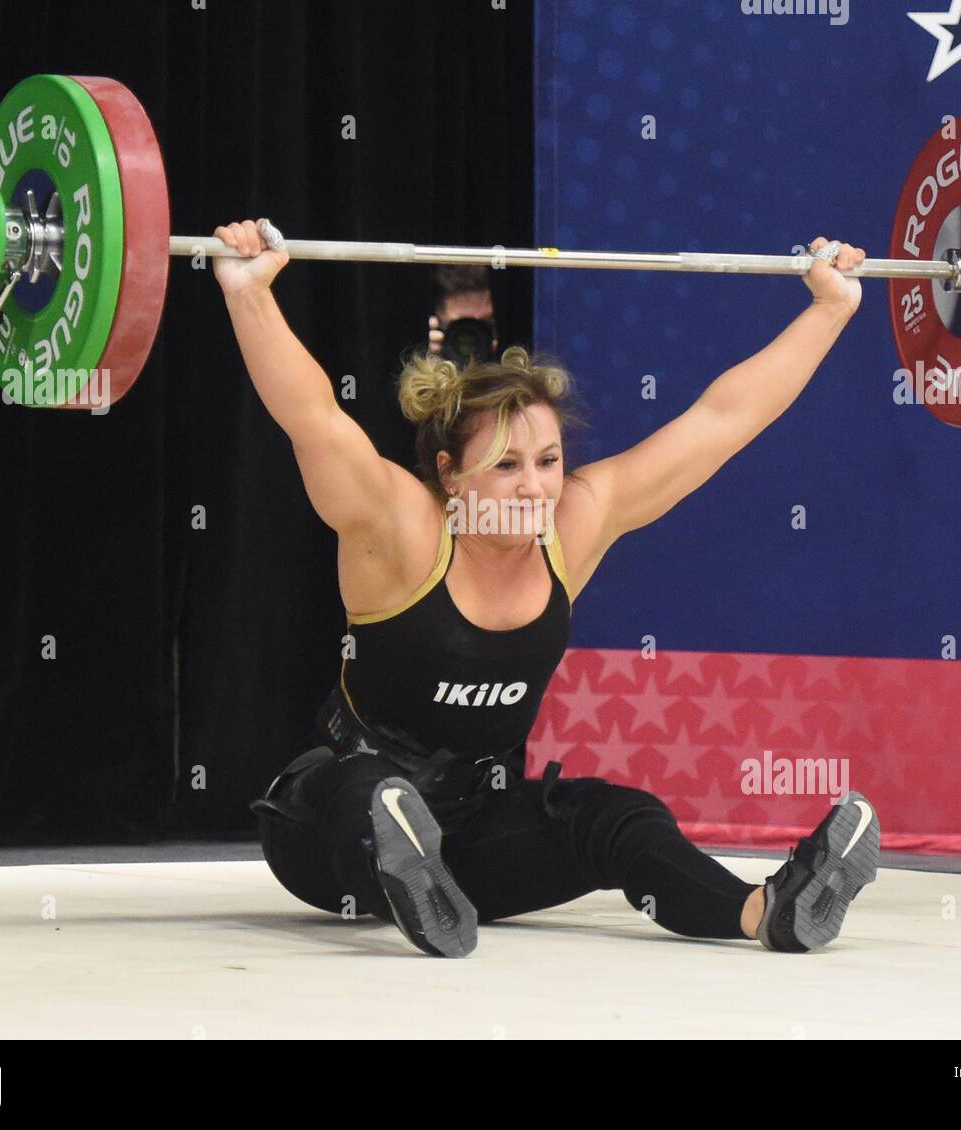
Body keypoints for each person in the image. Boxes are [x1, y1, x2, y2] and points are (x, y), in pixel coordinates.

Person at [214, 218, 881, 958]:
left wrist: (828, 312)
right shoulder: (402, 530)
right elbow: (312, 418)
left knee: (612, 816)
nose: (534, 485)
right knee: (371, 796)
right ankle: (401, 866)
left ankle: (769, 910)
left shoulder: (575, 524)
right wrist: (250, 296)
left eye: (548, 459)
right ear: (447, 473)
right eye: (506, 466)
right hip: (322, 822)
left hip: (476, 829)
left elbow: (721, 421)